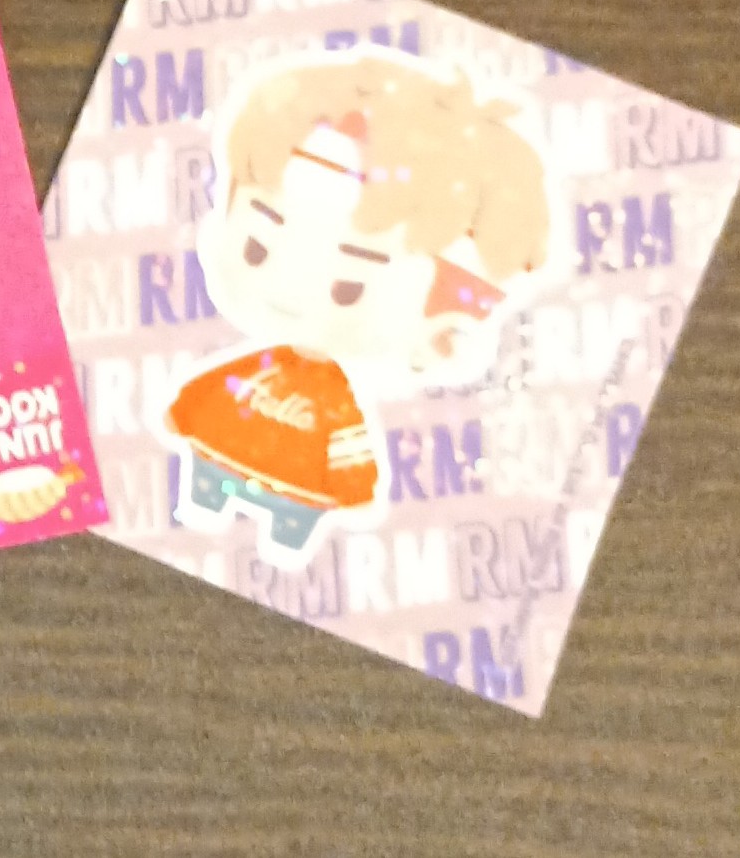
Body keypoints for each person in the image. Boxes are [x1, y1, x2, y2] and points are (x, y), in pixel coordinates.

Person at [168, 55, 551, 561]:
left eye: (350, 285)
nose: (289, 290)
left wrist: (350, 488)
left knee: (290, 518)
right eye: (256, 247)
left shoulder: (336, 396)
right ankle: (213, 500)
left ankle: (280, 528)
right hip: (221, 456)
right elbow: (209, 395)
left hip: (298, 490)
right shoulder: (260, 368)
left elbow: (345, 448)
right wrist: (186, 413)